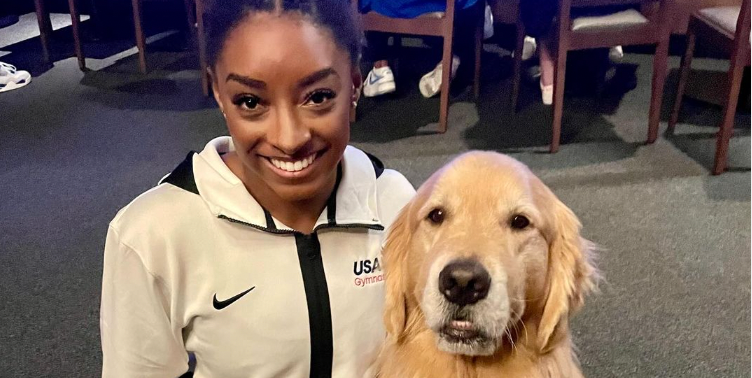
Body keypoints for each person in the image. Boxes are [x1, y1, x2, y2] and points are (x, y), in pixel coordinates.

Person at [99, 1, 416, 377]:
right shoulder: (151, 235)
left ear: (354, 84)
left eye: (318, 97)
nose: (289, 138)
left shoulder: (399, 206)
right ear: (218, 92)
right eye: (250, 102)